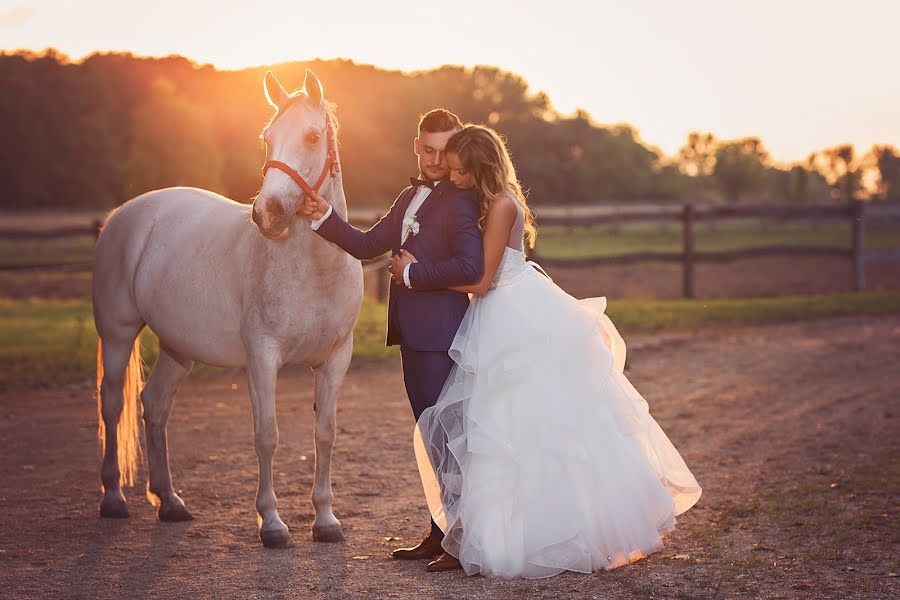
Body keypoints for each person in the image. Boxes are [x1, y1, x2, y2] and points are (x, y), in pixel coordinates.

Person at [394, 125, 703, 578]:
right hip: (493, 312)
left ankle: (537, 532)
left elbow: (481, 280)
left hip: (509, 311)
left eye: (461, 171)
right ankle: (478, 532)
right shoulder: (486, 201)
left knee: (521, 423)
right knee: (496, 425)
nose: (454, 178)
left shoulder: (501, 206)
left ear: (482, 168)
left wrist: (413, 275)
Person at [298, 109, 484, 571]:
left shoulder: (460, 201)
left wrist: (413, 274)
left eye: (445, 151)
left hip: (442, 335)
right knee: (431, 433)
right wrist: (325, 217)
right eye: (428, 149)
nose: (436, 160)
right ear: (415, 145)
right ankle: (443, 531)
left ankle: (462, 541)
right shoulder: (408, 196)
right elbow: (367, 245)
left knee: (448, 435)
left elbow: (471, 268)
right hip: (413, 336)